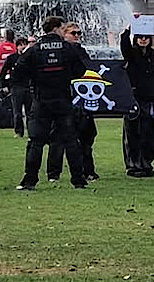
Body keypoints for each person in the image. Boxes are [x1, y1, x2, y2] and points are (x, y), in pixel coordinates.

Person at [13, 16, 88, 190]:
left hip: (41, 100)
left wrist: (34, 79)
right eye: (62, 28)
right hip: (62, 99)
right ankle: (78, 179)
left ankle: (30, 180)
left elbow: (18, 72)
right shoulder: (67, 48)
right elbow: (81, 71)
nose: (63, 31)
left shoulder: (34, 49)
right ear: (56, 28)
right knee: (71, 141)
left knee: (36, 142)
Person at [121, 26, 154, 177]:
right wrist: (128, 30)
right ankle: (133, 165)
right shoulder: (132, 54)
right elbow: (124, 46)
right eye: (140, 36)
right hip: (134, 98)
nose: (143, 39)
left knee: (148, 134)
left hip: (150, 98)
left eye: (146, 36)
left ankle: (146, 163)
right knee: (132, 133)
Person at [60, 21, 98, 181]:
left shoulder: (81, 51)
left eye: (78, 33)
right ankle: (80, 170)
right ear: (65, 34)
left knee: (87, 135)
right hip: (70, 98)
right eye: (73, 33)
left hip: (83, 98)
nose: (77, 36)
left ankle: (87, 169)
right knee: (73, 137)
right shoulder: (64, 51)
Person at [0, 37, 31, 138]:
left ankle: (31, 131)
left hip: (28, 86)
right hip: (16, 87)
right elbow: (3, 71)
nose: (23, 47)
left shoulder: (30, 58)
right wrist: (4, 85)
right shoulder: (12, 58)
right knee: (17, 111)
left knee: (30, 112)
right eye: (21, 45)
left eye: (25, 44)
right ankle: (18, 131)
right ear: (17, 47)